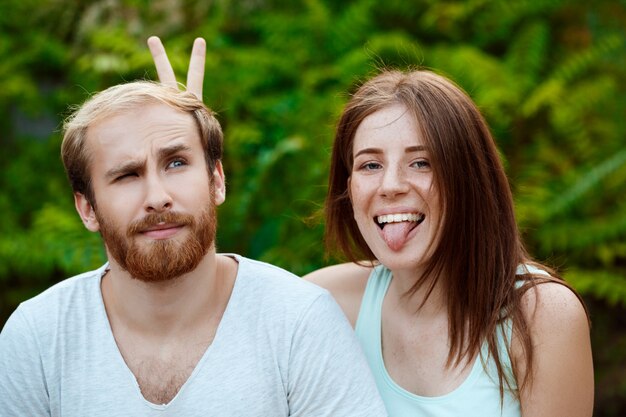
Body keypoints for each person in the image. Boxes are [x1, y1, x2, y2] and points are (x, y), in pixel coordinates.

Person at [148, 37, 594, 416]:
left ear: (469, 177)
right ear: (349, 187)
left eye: (420, 162)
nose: (391, 186)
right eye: (370, 164)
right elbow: (216, 314)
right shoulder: (333, 302)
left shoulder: (539, 316)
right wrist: (192, 170)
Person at [0, 70, 387, 415]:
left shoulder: (298, 323)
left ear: (217, 180)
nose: (157, 196)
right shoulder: (37, 338)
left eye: (176, 163)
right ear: (87, 209)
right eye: (127, 175)